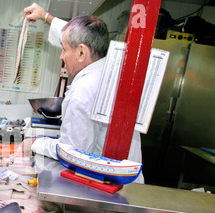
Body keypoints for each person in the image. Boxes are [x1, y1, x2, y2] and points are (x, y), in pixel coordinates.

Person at [23, 3, 144, 183]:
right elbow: (74, 36)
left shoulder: (84, 88)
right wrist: (45, 16)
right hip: (127, 183)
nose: (61, 56)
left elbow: (73, 151)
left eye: (64, 49)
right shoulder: (108, 71)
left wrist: (36, 143)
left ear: (81, 52)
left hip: (110, 188)